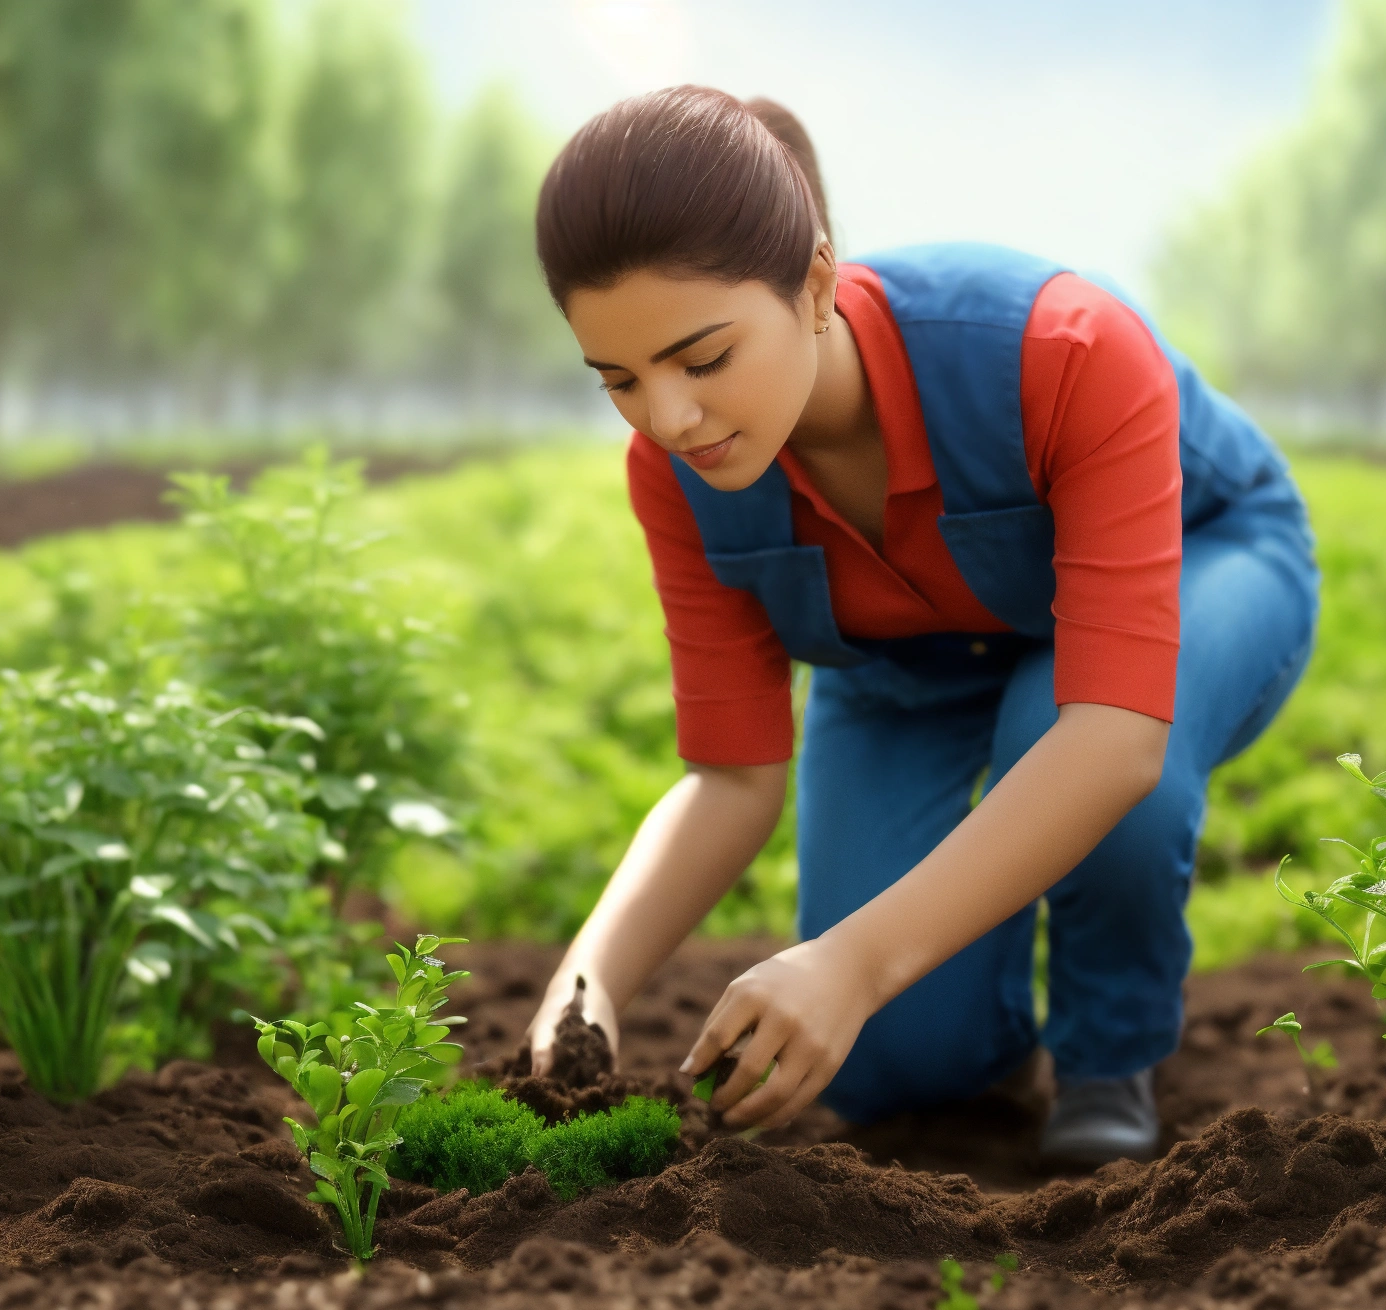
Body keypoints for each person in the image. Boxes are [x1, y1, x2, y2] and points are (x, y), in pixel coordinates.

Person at [519, 87, 1318, 1167]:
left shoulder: (1061, 346)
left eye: (702, 360)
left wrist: (849, 963)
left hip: (1209, 558)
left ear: (813, 284)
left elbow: (1112, 734)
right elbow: (732, 778)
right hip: (907, 658)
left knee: (1075, 732)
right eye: (619, 378)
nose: (668, 417)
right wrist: (587, 987)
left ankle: (1106, 1056)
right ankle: (992, 1046)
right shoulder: (677, 474)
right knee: (890, 1066)